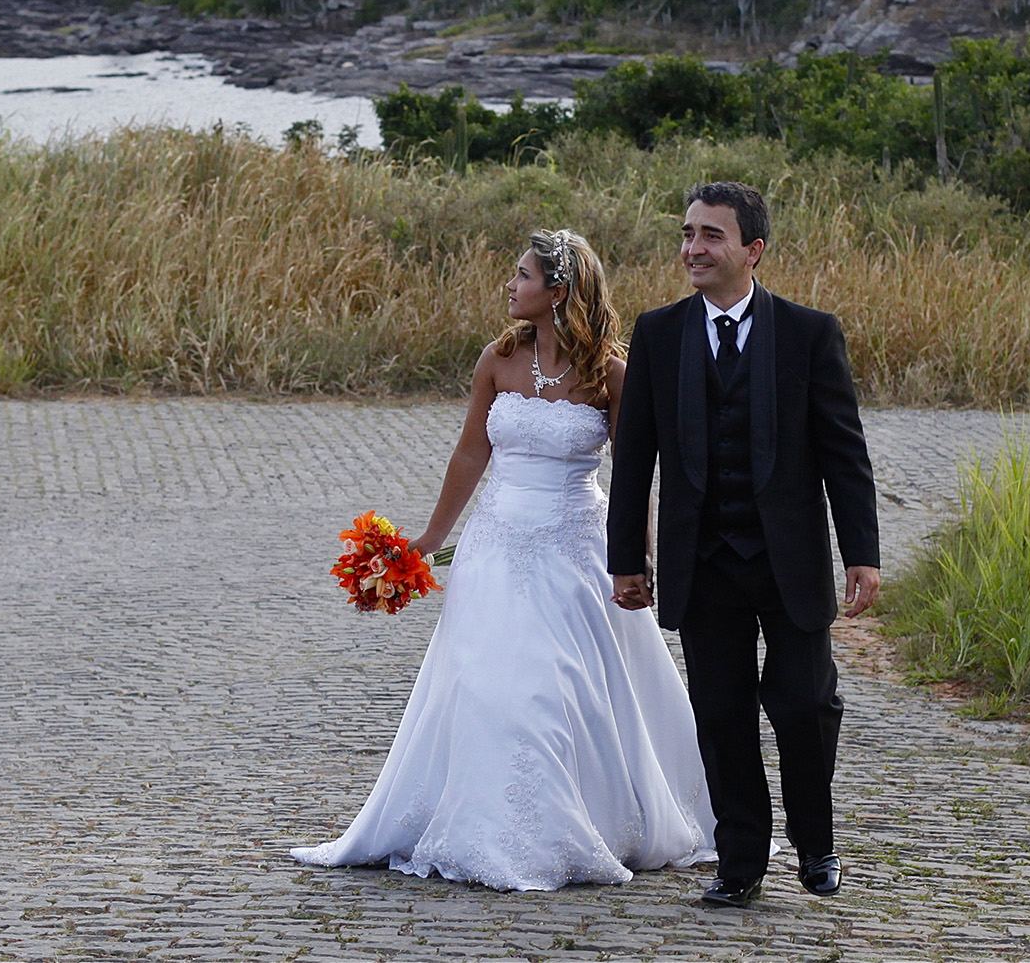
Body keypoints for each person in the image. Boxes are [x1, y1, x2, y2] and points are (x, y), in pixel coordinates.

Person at [292, 228, 714, 892]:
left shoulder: (614, 375)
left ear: (558, 289)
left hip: (576, 548)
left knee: (555, 689)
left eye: (520, 275)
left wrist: (639, 556)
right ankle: (482, 823)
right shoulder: (500, 357)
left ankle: (564, 824)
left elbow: (637, 473)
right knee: (485, 686)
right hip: (494, 547)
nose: (509, 286)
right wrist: (429, 539)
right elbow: (470, 453)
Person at [607, 182, 880, 909]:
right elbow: (633, 457)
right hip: (703, 562)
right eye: (688, 233)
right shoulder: (659, 333)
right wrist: (626, 560)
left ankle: (816, 844)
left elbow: (843, 452)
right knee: (722, 716)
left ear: (752, 250)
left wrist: (862, 550)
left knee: (804, 705)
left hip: (788, 560)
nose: (693, 248)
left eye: (711, 236)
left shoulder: (808, 332)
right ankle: (740, 863)